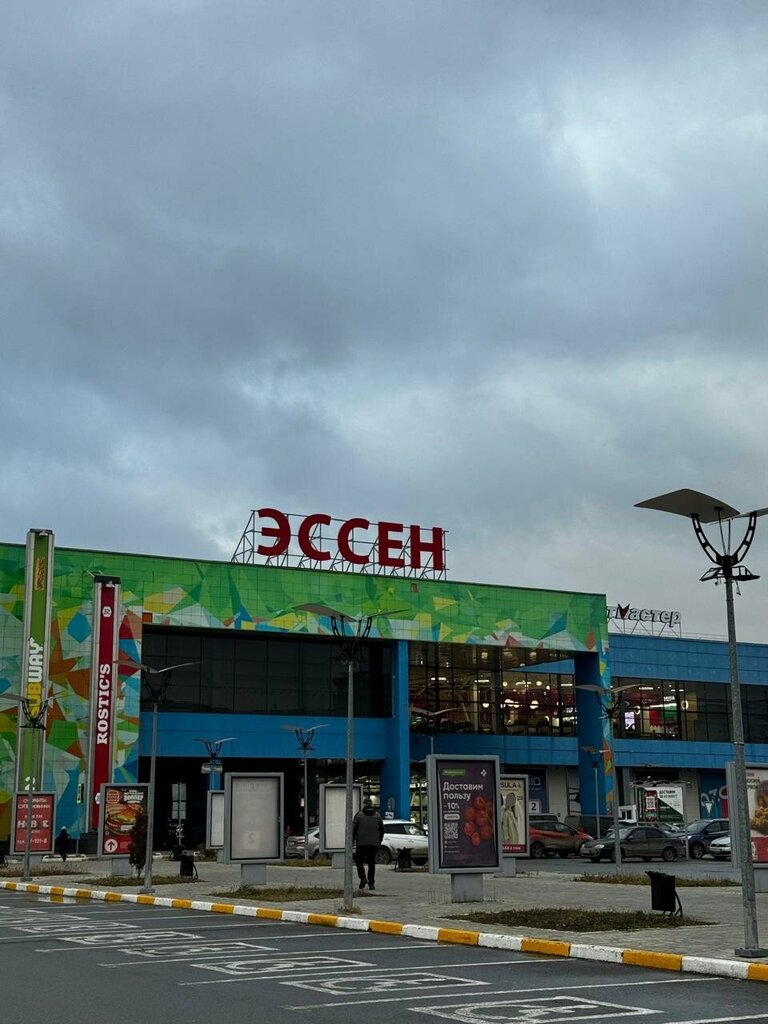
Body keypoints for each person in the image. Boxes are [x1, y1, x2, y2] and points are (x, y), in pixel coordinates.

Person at [352, 797, 384, 890]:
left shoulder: (359, 815)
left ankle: (363, 878)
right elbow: (382, 829)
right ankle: (371, 883)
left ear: (364, 804)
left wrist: (352, 841)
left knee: (359, 861)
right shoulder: (377, 815)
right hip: (373, 844)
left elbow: (354, 830)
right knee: (371, 863)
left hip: (361, 843)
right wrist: (379, 841)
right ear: (371, 804)